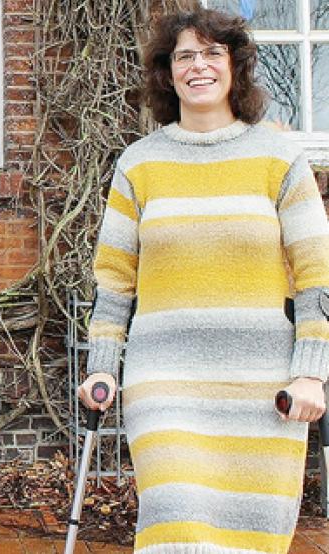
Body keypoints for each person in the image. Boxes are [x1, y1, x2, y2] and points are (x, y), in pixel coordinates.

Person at [78, 7, 329, 553]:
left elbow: (318, 278)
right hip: (165, 382)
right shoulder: (139, 164)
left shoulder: (280, 159)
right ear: (166, 73)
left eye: (212, 54)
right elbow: (115, 282)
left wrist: (311, 373)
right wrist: (102, 366)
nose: (199, 66)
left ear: (235, 67)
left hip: (263, 386)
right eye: (184, 56)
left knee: (251, 540)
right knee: (177, 527)